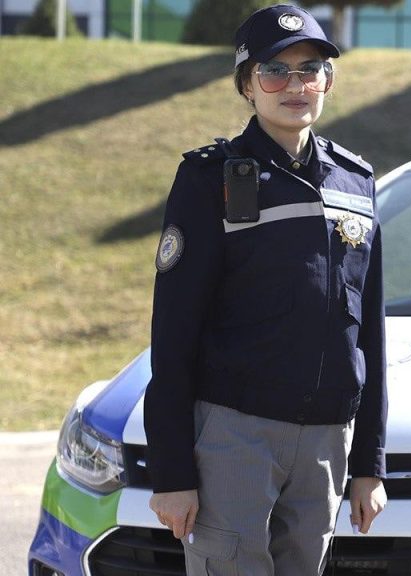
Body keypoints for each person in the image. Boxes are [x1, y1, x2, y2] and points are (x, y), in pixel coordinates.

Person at [144, 5, 387, 574]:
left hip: (327, 441)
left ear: (328, 80)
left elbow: (369, 332)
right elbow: (173, 332)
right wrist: (172, 473)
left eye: (310, 70)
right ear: (247, 86)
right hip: (234, 435)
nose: (295, 86)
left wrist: (369, 464)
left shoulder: (356, 183)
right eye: (275, 71)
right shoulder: (209, 178)